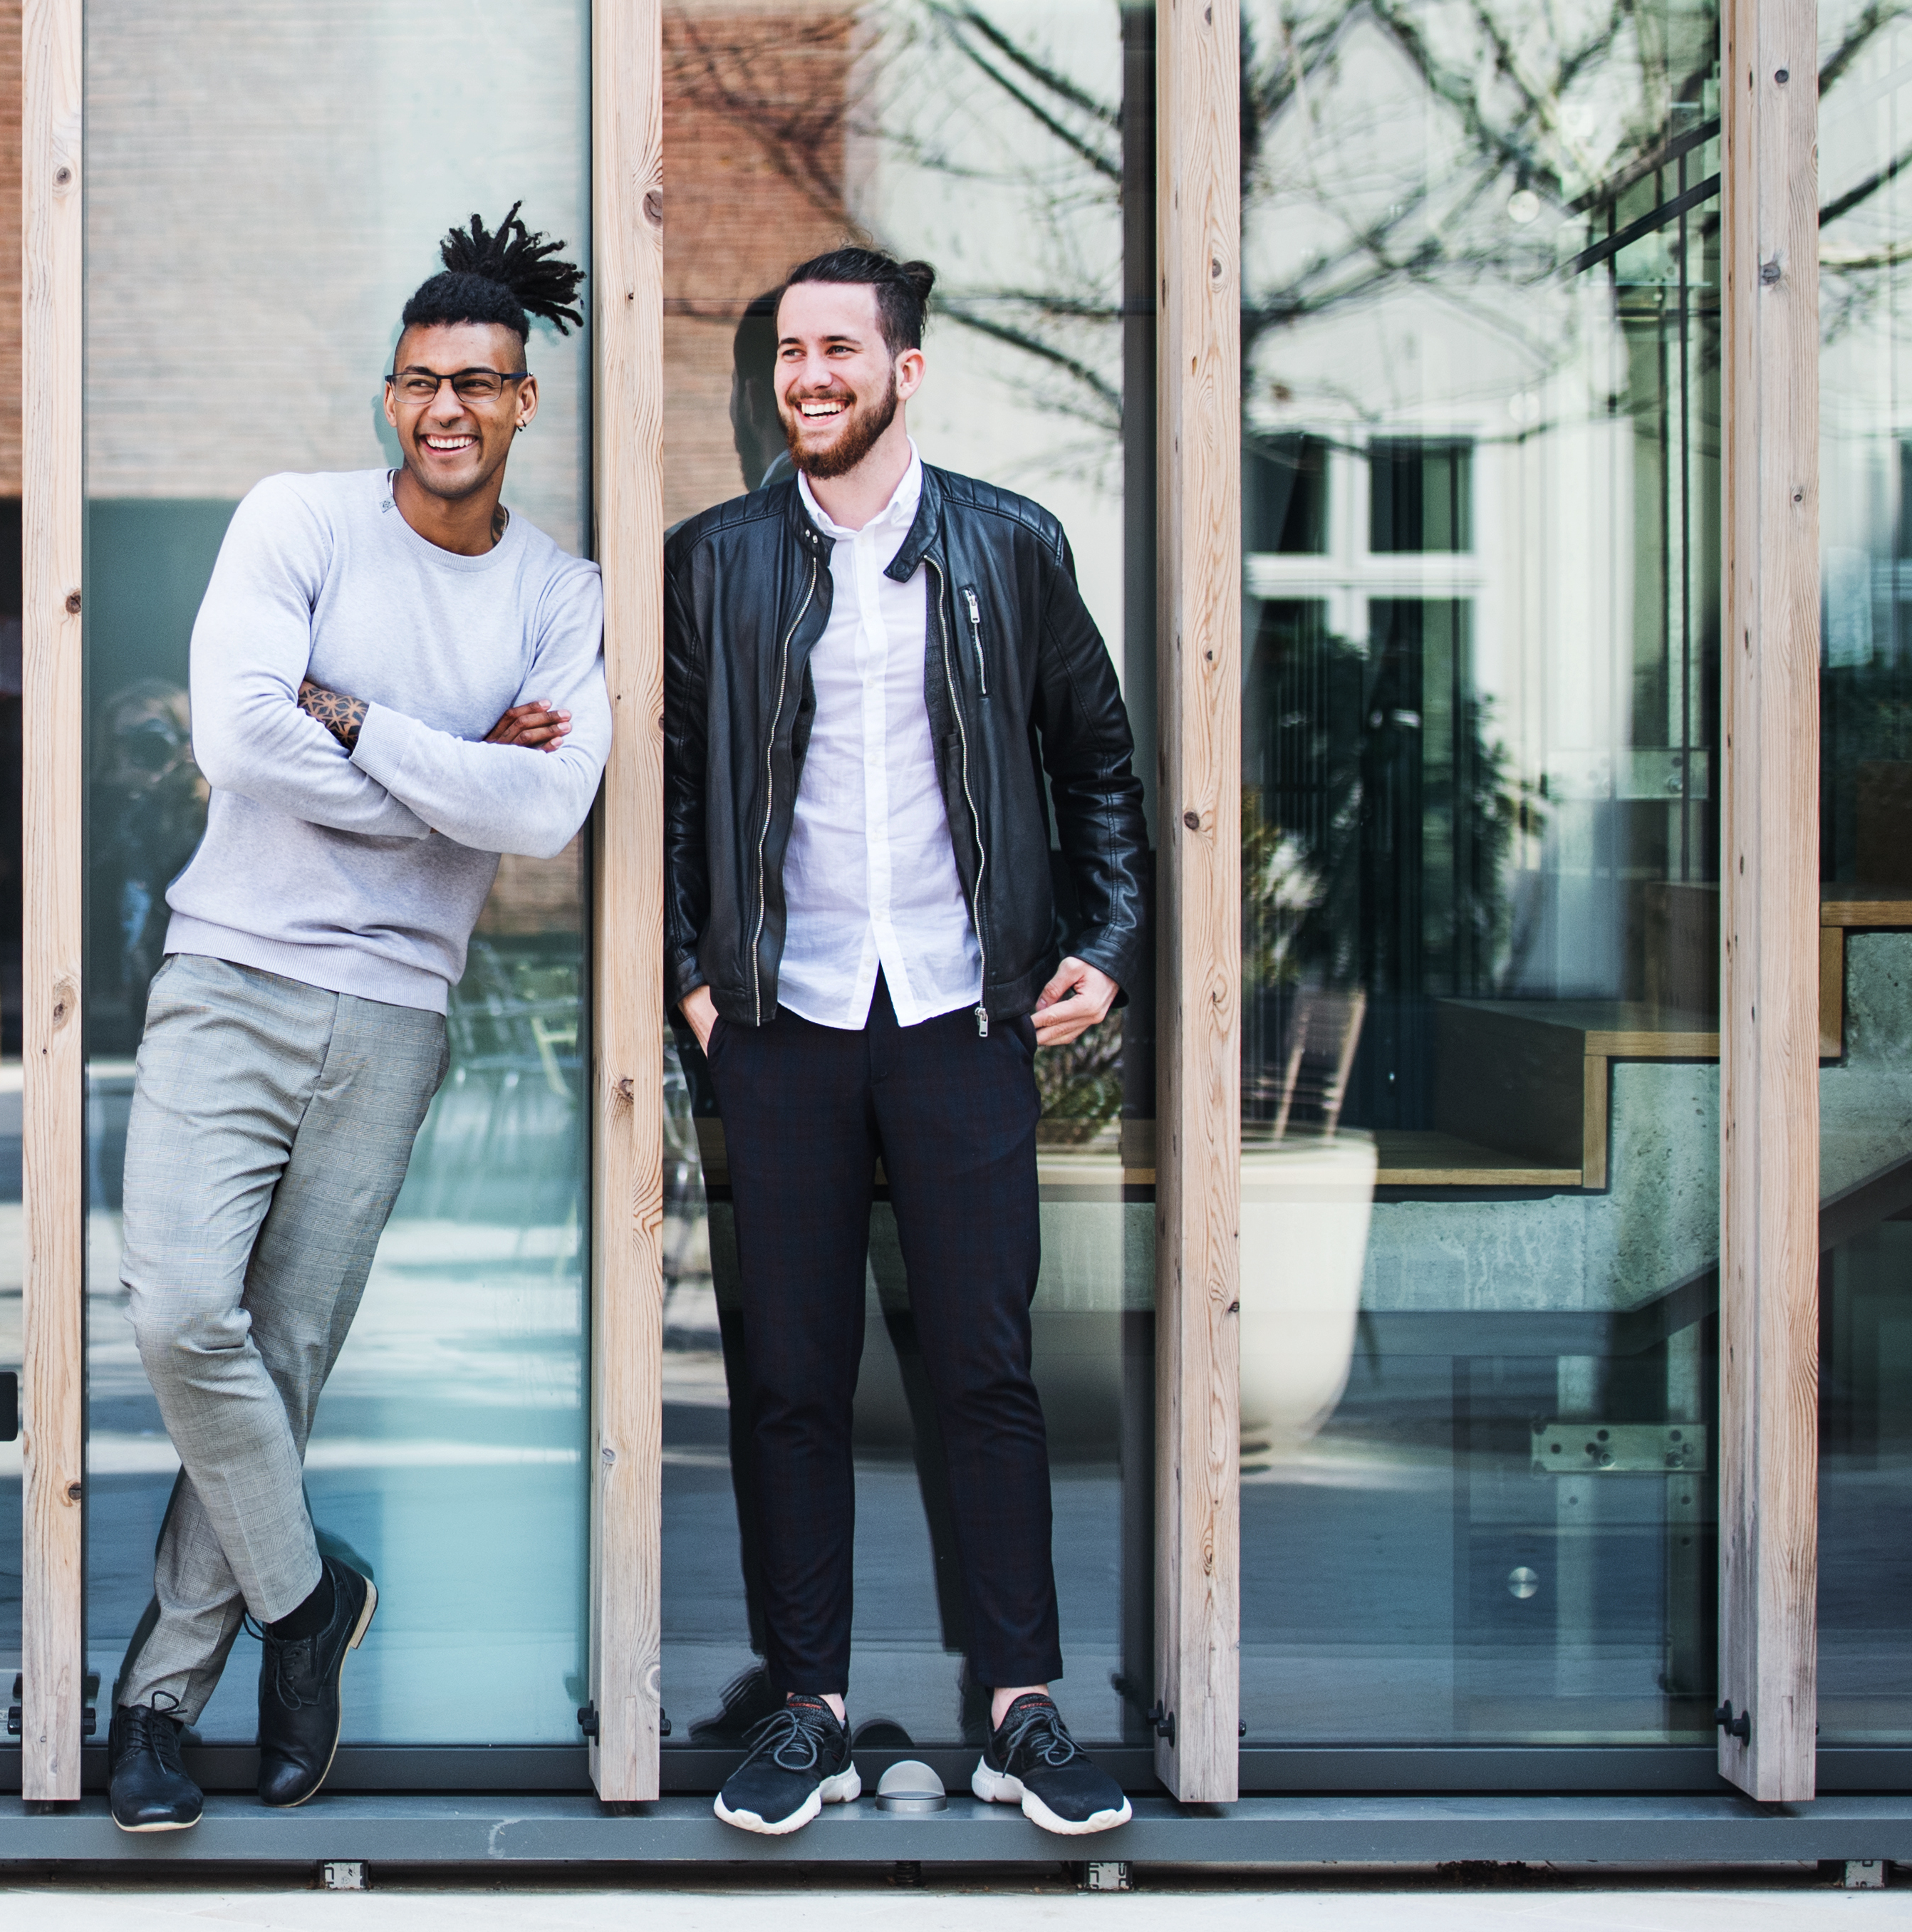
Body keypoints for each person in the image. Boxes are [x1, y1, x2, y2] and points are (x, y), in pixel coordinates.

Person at [104, 209, 610, 1834]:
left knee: (283, 1359)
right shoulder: (296, 521)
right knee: (184, 1314)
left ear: (526, 401)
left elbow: (542, 818)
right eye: (419, 381)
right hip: (227, 980)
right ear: (388, 394)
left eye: (480, 383)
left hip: (394, 1016)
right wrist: (447, 768)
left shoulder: (559, 594)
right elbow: (243, 744)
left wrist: (365, 719)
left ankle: (159, 1706)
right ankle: (306, 1597)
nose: (446, 408)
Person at [665, 249, 1153, 1838]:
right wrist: (690, 978)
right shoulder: (714, 562)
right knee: (791, 1379)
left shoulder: (1010, 547)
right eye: (788, 354)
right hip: (783, 1021)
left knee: (985, 1369)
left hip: (959, 1010)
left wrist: (1104, 944)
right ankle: (802, 1708)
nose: (807, 377)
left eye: (837, 351)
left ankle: (1020, 1710)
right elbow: (673, 802)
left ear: (906, 369)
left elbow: (1098, 764)